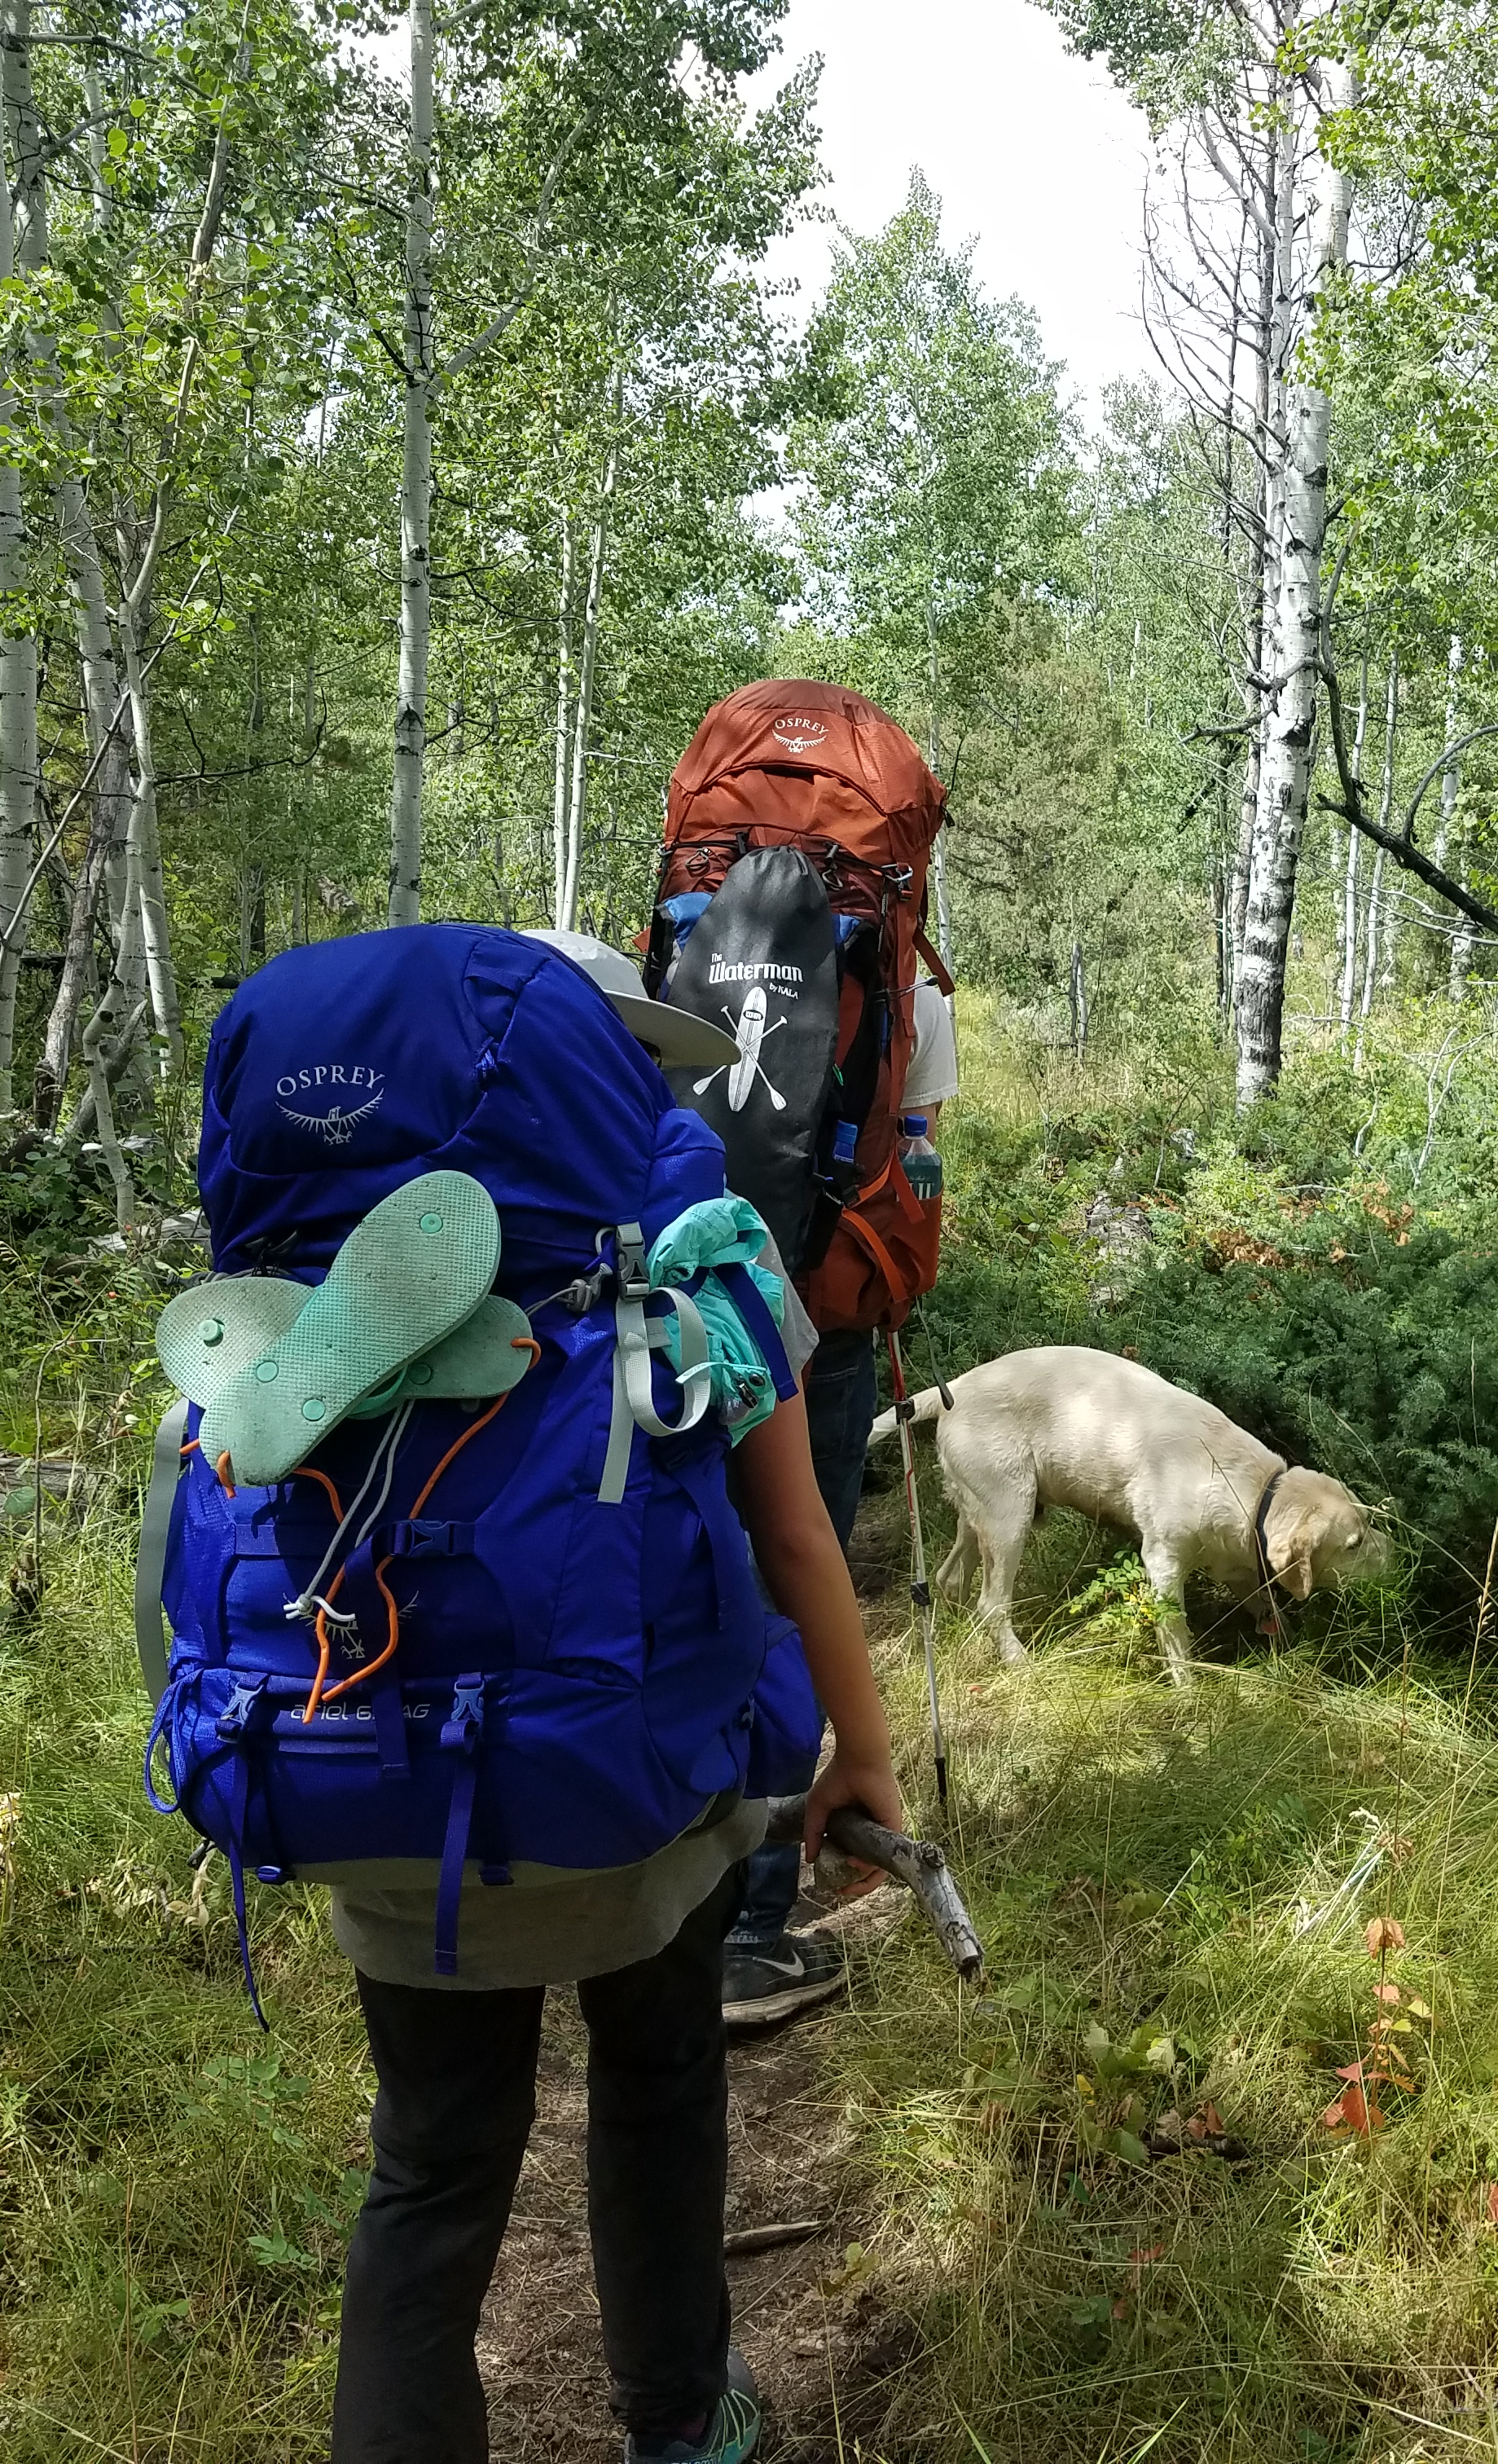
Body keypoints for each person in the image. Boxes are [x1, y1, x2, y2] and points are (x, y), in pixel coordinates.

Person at [139, 927, 903, 2464]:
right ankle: (682, 2424)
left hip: (364, 1775)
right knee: (659, 2070)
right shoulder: (695, 1245)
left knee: (431, 2162)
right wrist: (860, 1754)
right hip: (631, 1790)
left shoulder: (291, 1277)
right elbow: (795, 1529)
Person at [721, 964, 955, 2022]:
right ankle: (750, 1933)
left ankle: (657, 1871)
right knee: (796, 1570)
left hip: (684, 1299)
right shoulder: (906, 990)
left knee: (687, 1558)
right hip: (824, 1305)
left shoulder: (693, 941)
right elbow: (918, 1158)